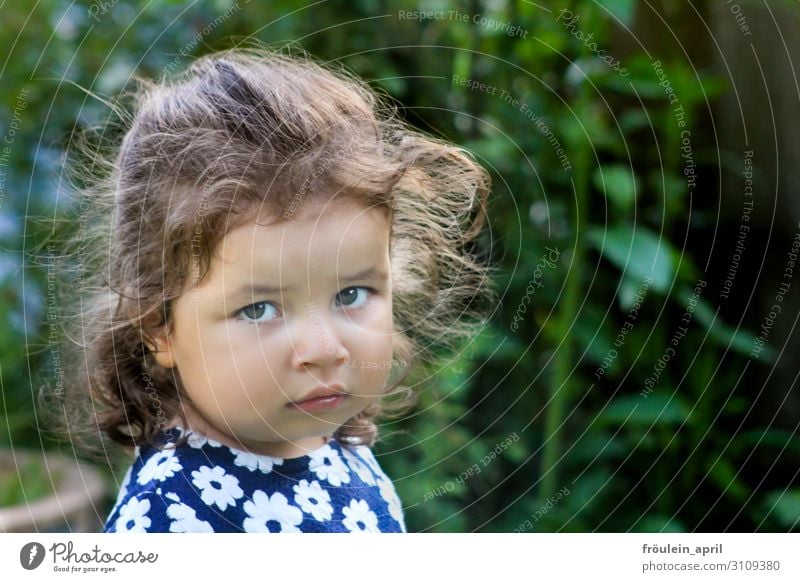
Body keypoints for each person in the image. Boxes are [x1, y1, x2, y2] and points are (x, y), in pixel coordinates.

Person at [50, 46, 494, 533]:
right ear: (161, 327)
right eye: (259, 309)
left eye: (351, 295)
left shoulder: (336, 442)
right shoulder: (170, 519)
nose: (325, 351)